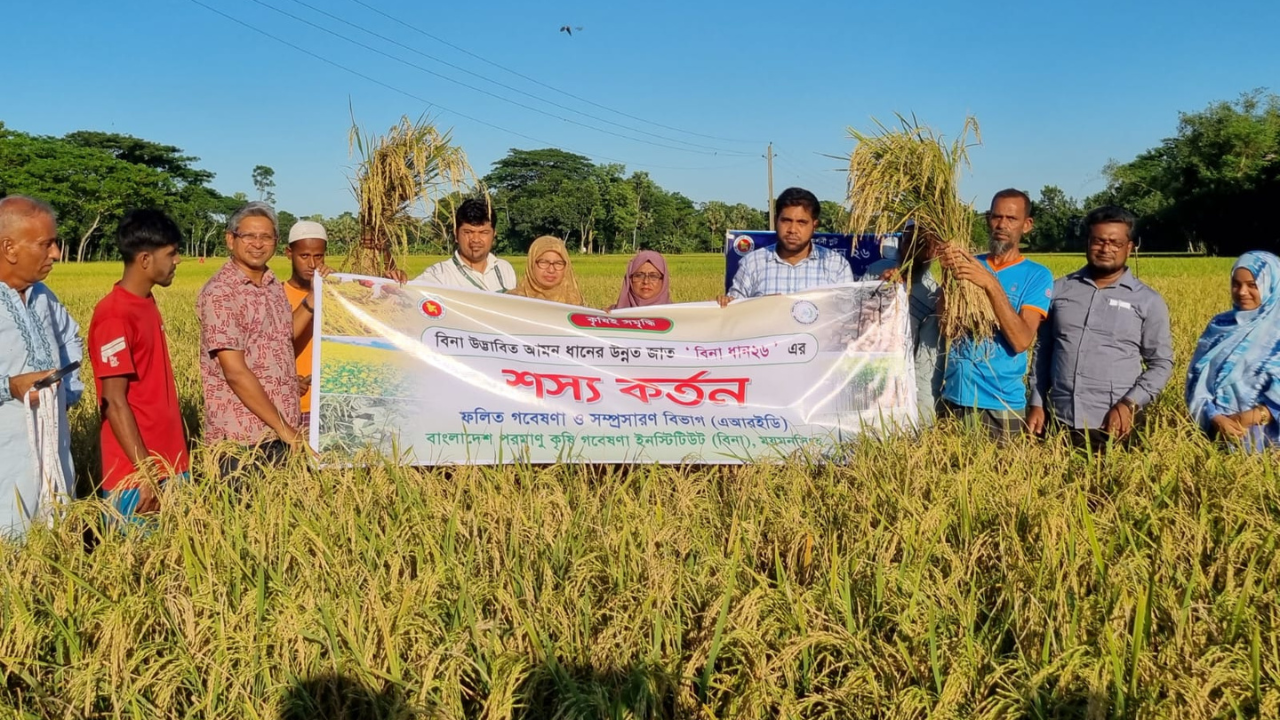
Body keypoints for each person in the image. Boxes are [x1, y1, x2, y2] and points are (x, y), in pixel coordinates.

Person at [1027, 206, 1173, 449]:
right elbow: (1043, 350)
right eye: (1098, 241)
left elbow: (1161, 363)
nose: (1106, 249)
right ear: (1087, 242)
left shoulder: (1147, 301)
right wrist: (1036, 402)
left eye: (1115, 243)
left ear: (1130, 247)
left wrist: (1129, 404)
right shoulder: (1060, 290)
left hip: (1114, 426)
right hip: (1058, 421)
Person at [88, 209, 189, 519]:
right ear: (145, 260)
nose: (177, 261)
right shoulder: (115, 315)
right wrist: (146, 472)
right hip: (137, 475)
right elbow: (114, 400)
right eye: (171, 253)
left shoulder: (145, 302)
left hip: (170, 462)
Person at [196, 202, 307, 473]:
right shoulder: (221, 293)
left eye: (266, 236)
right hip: (243, 442)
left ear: (276, 242)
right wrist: (286, 430)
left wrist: (312, 301)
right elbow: (235, 372)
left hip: (281, 433)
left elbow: (283, 335)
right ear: (230, 240)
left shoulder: (271, 284)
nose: (258, 244)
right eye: (249, 236)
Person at [937, 189, 1054, 440]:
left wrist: (990, 284)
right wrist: (948, 274)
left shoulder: (1036, 275)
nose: (1002, 224)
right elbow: (946, 327)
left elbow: (1022, 340)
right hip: (954, 396)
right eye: (996, 217)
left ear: (1027, 225)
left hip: (1000, 405)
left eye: (1011, 219)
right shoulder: (969, 264)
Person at [0, 195, 83, 537]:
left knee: (55, 539)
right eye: (46, 244)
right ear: (9, 248)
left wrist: (67, 392)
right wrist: (9, 386)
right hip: (8, 452)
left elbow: (70, 338)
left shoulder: (43, 295)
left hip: (53, 443)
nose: (56, 254)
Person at [1185, 250, 1280, 452]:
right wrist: (1215, 417)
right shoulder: (1220, 325)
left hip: (1269, 446)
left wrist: (1253, 417)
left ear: (1272, 285)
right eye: (1236, 284)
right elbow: (1196, 379)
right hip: (1215, 439)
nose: (1242, 292)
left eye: (1252, 285)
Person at [863, 221, 944, 426]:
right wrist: (882, 291)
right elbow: (859, 324)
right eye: (907, 238)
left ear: (934, 250)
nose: (910, 245)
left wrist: (924, 422)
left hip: (904, 388)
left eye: (921, 242)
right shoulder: (876, 272)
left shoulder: (933, 294)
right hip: (870, 379)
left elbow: (925, 368)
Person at [719, 187, 854, 304]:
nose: (792, 230)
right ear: (775, 220)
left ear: (814, 225)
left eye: (801, 222)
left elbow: (847, 316)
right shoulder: (752, 263)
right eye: (786, 221)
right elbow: (735, 312)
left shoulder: (836, 266)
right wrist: (757, 305)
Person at [283, 221, 334, 430]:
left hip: (331, 405)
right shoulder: (276, 295)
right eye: (304, 256)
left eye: (318, 256)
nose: (312, 264)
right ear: (289, 253)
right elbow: (273, 346)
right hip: (294, 405)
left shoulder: (336, 294)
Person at [415, 198, 517, 292]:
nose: (476, 240)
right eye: (468, 232)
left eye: (483, 233)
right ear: (456, 234)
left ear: (494, 234)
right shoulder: (438, 275)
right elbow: (408, 297)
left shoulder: (505, 269)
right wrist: (399, 281)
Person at [510, 236, 583, 305]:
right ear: (531, 264)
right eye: (543, 262)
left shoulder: (575, 302)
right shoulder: (512, 301)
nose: (551, 270)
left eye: (558, 263)